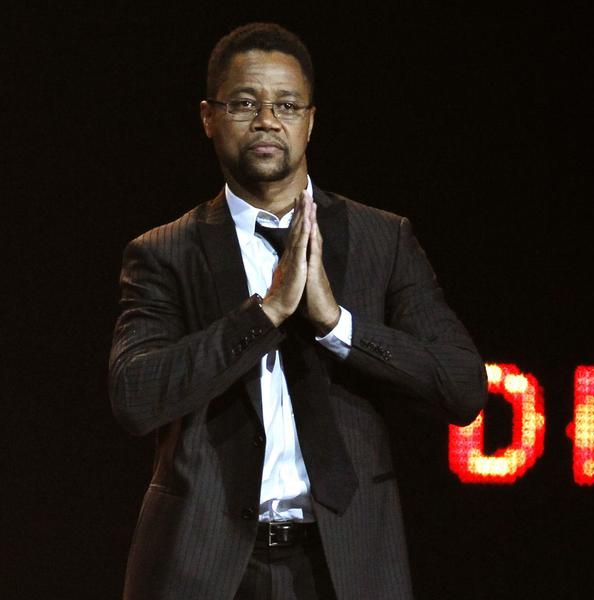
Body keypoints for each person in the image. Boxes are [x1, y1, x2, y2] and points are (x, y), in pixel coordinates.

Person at [108, 21, 487, 600]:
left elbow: (462, 388)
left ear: (311, 121)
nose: (266, 120)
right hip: (201, 566)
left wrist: (338, 325)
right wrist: (263, 317)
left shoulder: (382, 240)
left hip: (346, 565)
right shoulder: (164, 252)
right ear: (208, 117)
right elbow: (135, 398)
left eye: (286, 104)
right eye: (244, 103)